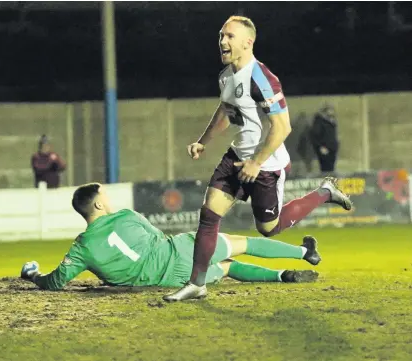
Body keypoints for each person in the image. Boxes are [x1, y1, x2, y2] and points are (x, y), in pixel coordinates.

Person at [163, 16, 352, 302]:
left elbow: (283, 127)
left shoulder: (262, 78)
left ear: (247, 42)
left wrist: (257, 162)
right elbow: (226, 113)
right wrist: (203, 142)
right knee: (209, 215)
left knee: (268, 228)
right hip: (236, 157)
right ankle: (197, 284)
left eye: (229, 36)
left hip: (266, 165)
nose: (222, 41)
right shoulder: (226, 75)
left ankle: (325, 192)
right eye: (221, 35)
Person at [21, 183, 321, 292]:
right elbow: (156, 236)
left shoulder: (82, 248)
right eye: (105, 196)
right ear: (98, 204)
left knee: (227, 267)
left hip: (170, 280)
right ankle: (303, 253)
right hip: (180, 252)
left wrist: (34, 275)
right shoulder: (126, 215)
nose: (108, 199)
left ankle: (283, 276)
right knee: (245, 244)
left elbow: (57, 281)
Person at [310, 104, 340, 174]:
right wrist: (320, 147)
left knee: (331, 170)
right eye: (330, 111)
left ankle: (330, 183)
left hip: (332, 149)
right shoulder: (319, 122)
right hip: (325, 150)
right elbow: (314, 136)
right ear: (325, 112)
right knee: (326, 170)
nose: (332, 113)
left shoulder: (331, 121)